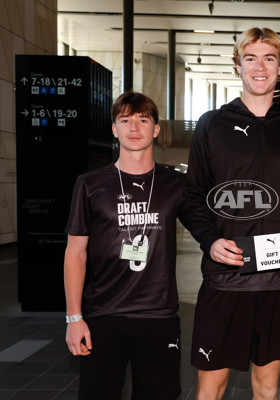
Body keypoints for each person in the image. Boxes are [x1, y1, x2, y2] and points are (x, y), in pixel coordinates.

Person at [182, 27, 280, 400]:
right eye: (251, 58)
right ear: (237, 65)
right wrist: (210, 242)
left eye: (269, 58)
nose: (260, 67)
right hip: (226, 280)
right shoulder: (211, 124)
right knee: (211, 389)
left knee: (267, 388)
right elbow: (192, 196)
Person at [64, 91, 186, 399]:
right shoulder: (90, 184)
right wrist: (73, 318)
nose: (134, 128)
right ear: (114, 129)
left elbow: (210, 225)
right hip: (103, 315)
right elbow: (75, 253)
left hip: (158, 316)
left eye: (143, 120)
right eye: (126, 120)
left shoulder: (175, 184)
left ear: (156, 130)